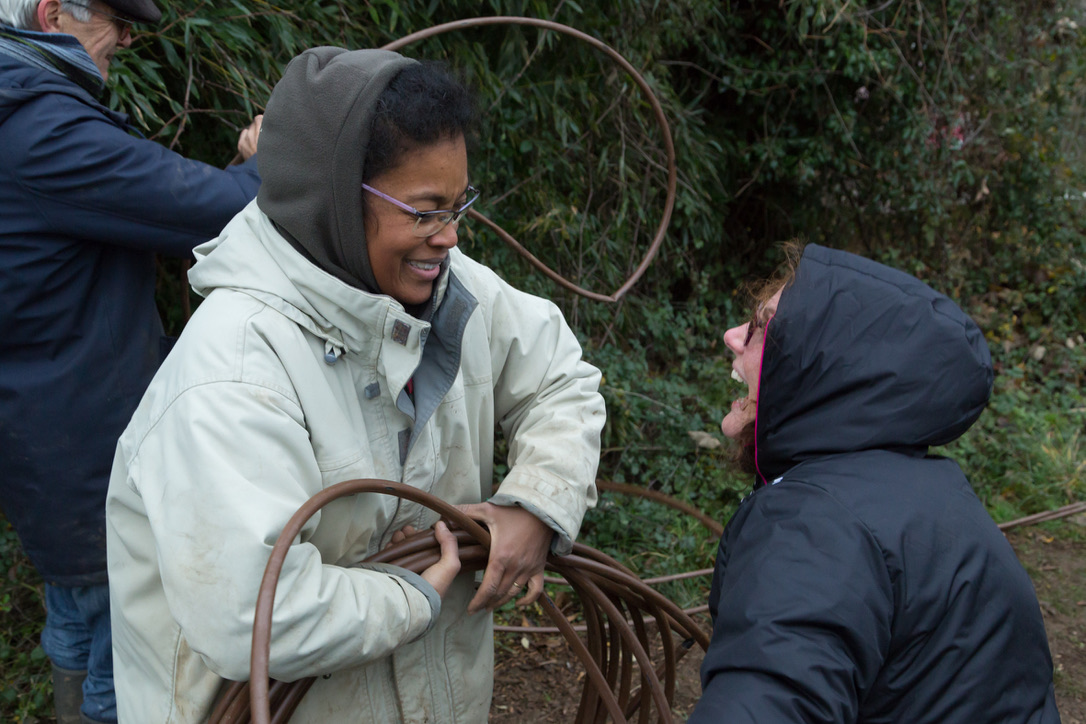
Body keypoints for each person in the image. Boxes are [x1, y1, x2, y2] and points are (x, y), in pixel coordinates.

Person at [104, 46, 605, 723]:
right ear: (335, 198)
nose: (451, 237)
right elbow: (255, 613)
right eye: (425, 211)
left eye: (459, 205)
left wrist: (535, 505)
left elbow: (559, 378)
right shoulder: (233, 373)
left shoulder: (452, 296)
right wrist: (417, 595)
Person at [0, 0, 263, 721]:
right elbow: (215, 212)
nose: (125, 36)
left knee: (78, 617)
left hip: (44, 446)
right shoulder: (41, 128)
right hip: (92, 453)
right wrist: (272, 159)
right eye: (114, 17)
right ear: (54, 14)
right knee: (132, 662)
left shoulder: (18, 107)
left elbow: (154, 213)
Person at [689, 243, 1061, 723]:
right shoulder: (935, 494)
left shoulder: (816, 525)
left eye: (761, 327)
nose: (732, 336)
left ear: (822, 367)